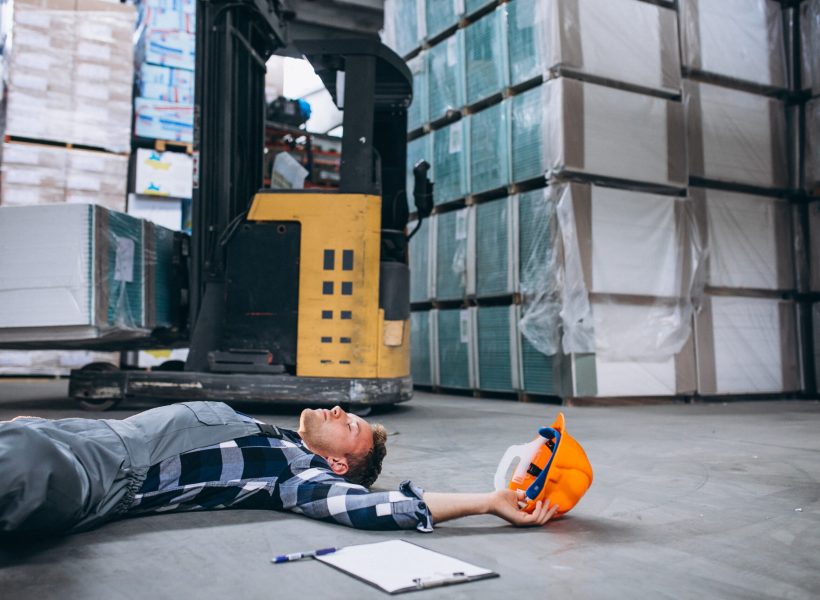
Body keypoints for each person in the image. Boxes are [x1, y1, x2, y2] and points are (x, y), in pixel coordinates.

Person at [0, 401, 558, 536]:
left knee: (22, 459)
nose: (340, 410)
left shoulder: (294, 473)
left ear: (337, 461)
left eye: (352, 424)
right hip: (74, 434)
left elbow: (372, 505)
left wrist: (486, 501)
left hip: (96, 471)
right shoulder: (269, 434)